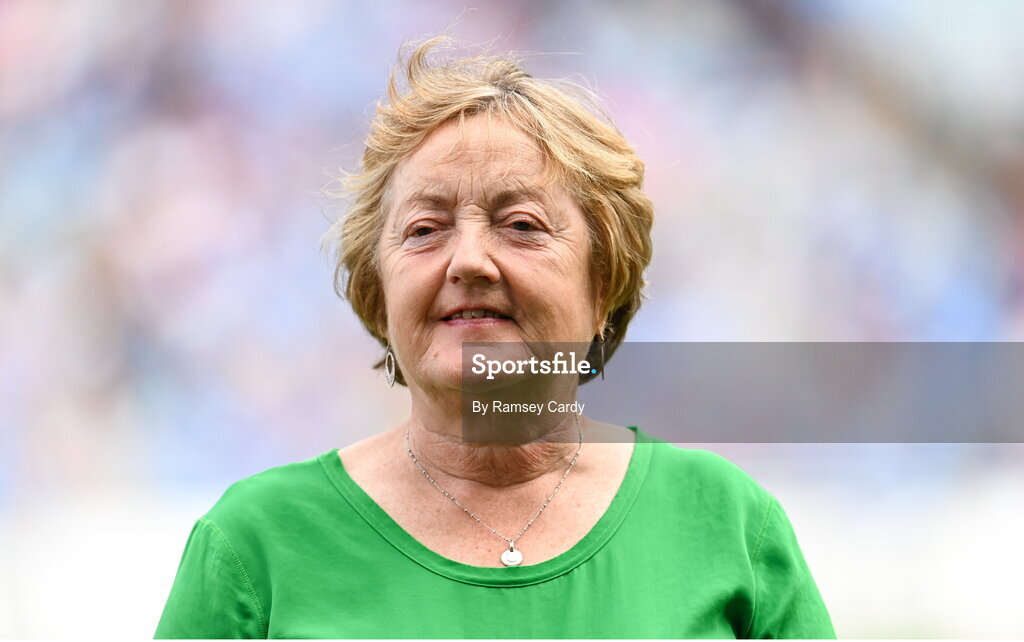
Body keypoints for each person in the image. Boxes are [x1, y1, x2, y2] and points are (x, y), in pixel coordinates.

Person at [155, 37, 835, 639]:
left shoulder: (727, 524)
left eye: (521, 225)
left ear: (604, 285)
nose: (469, 261)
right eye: (425, 230)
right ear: (378, 291)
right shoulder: (255, 547)